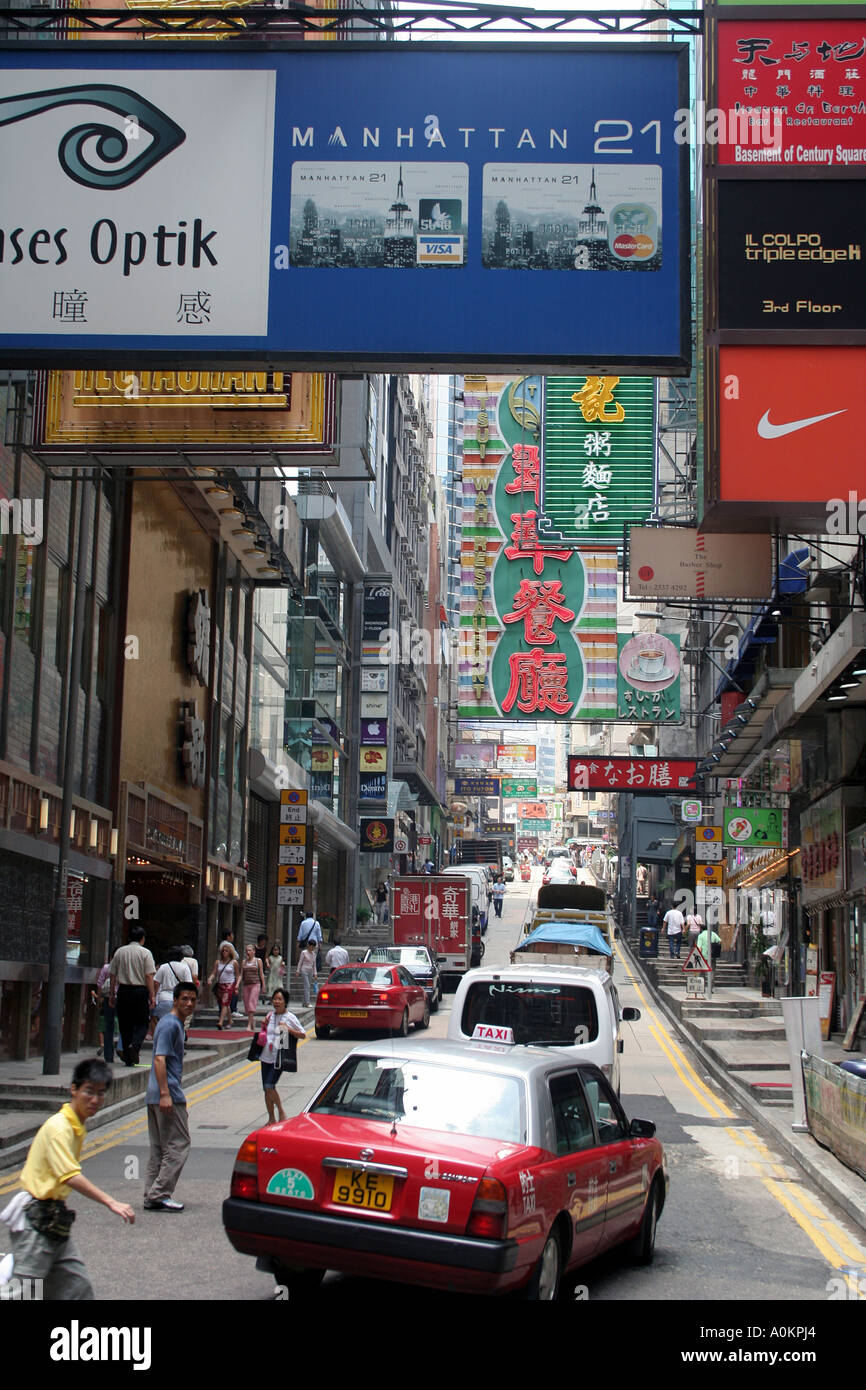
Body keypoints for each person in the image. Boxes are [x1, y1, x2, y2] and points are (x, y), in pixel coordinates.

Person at [0, 1057, 135, 1299]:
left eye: (101, 1093)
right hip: (35, 1224)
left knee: (78, 1290)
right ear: (73, 1089)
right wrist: (111, 1202)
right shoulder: (59, 1127)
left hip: (54, 1222)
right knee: (21, 1294)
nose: (95, 1100)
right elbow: (70, 1176)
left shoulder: (75, 1125)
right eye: (89, 1092)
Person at [144, 982, 198, 1213]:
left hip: (155, 1094)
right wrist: (166, 1093)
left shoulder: (172, 1024)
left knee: (160, 1147)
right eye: (184, 999)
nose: (189, 1003)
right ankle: (160, 1193)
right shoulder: (170, 1025)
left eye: (193, 1000)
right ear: (175, 1000)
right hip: (168, 1094)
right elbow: (159, 1059)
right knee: (179, 1143)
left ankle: (151, 1195)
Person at [109, 925, 156, 1067]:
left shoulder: (120, 952)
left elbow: (112, 974)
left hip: (123, 991)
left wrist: (112, 992)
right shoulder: (145, 953)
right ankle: (134, 1047)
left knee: (125, 1024)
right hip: (140, 991)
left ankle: (128, 1058)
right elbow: (148, 976)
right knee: (142, 1023)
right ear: (142, 938)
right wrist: (152, 995)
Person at [260, 988, 305, 1125]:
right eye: (275, 999)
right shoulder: (270, 1015)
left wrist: (287, 1028)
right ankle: (271, 1118)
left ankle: (281, 1111)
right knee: (266, 1089)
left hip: (279, 1057)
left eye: (280, 999)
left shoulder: (290, 1017)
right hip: (265, 1056)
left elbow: (302, 1034)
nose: (276, 1002)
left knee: (269, 1085)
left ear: (285, 1002)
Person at [152, 949, 194, 1025]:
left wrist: (154, 996)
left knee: (163, 1023)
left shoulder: (163, 967)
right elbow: (189, 985)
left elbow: (156, 982)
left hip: (164, 998)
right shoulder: (185, 968)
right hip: (179, 999)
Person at [90, 958, 117, 1063]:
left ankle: (108, 1054)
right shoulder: (125, 967)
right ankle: (121, 1048)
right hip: (123, 997)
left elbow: (100, 983)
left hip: (107, 998)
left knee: (107, 1026)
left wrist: (100, 998)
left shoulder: (106, 967)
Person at [209, 942, 239, 1030]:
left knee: (225, 1002)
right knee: (225, 1004)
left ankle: (220, 1022)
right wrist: (210, 979)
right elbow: (214, 973)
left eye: (226, 951)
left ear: (230, 952)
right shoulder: (218, 962)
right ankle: (230, 1020)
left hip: (230, 984)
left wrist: (236, 985)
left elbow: (237, 975)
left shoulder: (234, 962)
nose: (224, 952)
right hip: (220, 984)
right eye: (223, 951)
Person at [240, 943, 265, 1032]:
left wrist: (263, 985)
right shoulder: (244, 962)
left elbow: (261, 973)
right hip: (246, 984)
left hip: (256, 984)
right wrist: (237, 985)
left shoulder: (258, 961)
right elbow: (241, 975)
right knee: (247, 1005)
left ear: (254, 951)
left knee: (251, 1003)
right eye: (246, 950)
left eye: (250, 950)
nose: (248, 952)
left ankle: (249, 1024)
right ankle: (252, 1020)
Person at [297, 940, 319, 1007]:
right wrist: (298, 971)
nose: (312, 948)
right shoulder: (304, 952)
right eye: (311, 947)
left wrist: (315, 973)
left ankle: (304, 1002)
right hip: (304, 970)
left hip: (311, 971)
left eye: (313, 947)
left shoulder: (314, 954)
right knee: (307, 986)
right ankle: (307, 1002)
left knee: (308, 986)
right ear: (308, 945)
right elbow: (300, 962)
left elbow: (314, 964)